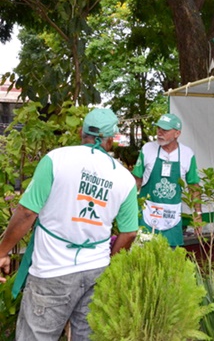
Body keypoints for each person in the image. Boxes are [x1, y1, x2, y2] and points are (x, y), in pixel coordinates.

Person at [0, 108, 139, 340]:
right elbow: (130, 233)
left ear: (80, 132)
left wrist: (2, 251)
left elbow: (26, 213)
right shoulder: (124, 178)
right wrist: (110, 265)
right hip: (96, 271)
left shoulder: (57, 159)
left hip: (51, 271)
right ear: (111, 139)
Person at [132, 113, 202, 246]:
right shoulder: (147, 149)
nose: (159, 132)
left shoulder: (187, 154)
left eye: (165, 130)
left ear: (177, 133)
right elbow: (136, 181)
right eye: (158, 128)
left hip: (172, 216)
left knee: (172, 256)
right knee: (144, 256)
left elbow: (194, 186)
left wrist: (197, 215)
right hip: (147, 213)